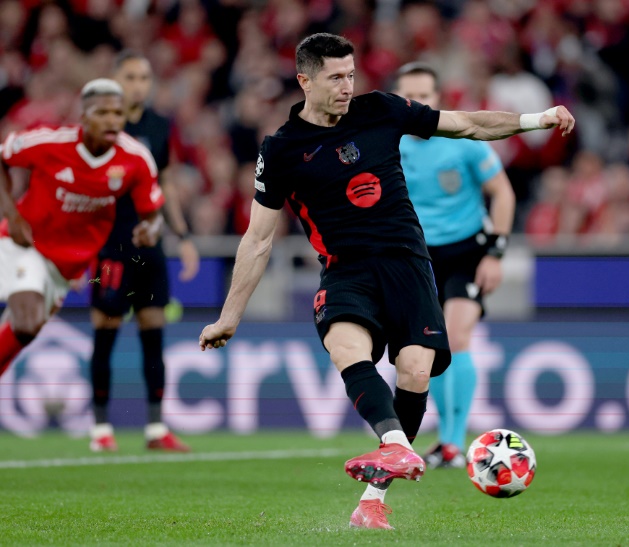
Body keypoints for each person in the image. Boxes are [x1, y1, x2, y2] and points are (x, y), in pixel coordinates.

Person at [198, 33, 574, 530]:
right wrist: (230, 314)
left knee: (416, 371)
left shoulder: (381, 110)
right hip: (346, 268)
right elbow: (258, 239)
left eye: (351, 74)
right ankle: (396, 447)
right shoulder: (283, 150)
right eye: (335, 77)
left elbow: (465, 124)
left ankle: (373, 500)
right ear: (304, 80)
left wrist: (535, 119)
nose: (347, 86)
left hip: (407, 263)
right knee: (345, 348)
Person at [0, 79, 164, 385]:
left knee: (27, 331)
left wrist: (149, 231)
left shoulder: (136, 159)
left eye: (118, 113)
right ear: (84, 115)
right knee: (25, 322)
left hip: (67, 266)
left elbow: (153, 215)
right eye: (102, 113)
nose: (112, 120)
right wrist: (11, 213)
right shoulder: (49, 142)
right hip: (26, 244)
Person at [394, 62, 515, 469]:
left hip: (466, 251)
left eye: (425, 96)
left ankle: (450, 443)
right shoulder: (389, 144)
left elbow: (502, 193)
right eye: (410, 97)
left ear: (437, 98)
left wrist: (495, 253)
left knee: (457, 336)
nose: (418, 103)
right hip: (418, 256)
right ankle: (445, 442)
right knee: (432, 346)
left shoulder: (464, 138)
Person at [88, 51, 199, 454]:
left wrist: (182, 235)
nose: (139, 84)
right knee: (106, 333)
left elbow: (165, 182)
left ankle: (155, 429)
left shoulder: (158, 125)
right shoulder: (100, 127)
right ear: (115, 80)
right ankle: (101, 429)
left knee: (154, 333)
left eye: (145, 77)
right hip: (110, 246)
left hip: (150, 246)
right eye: (131, 76)